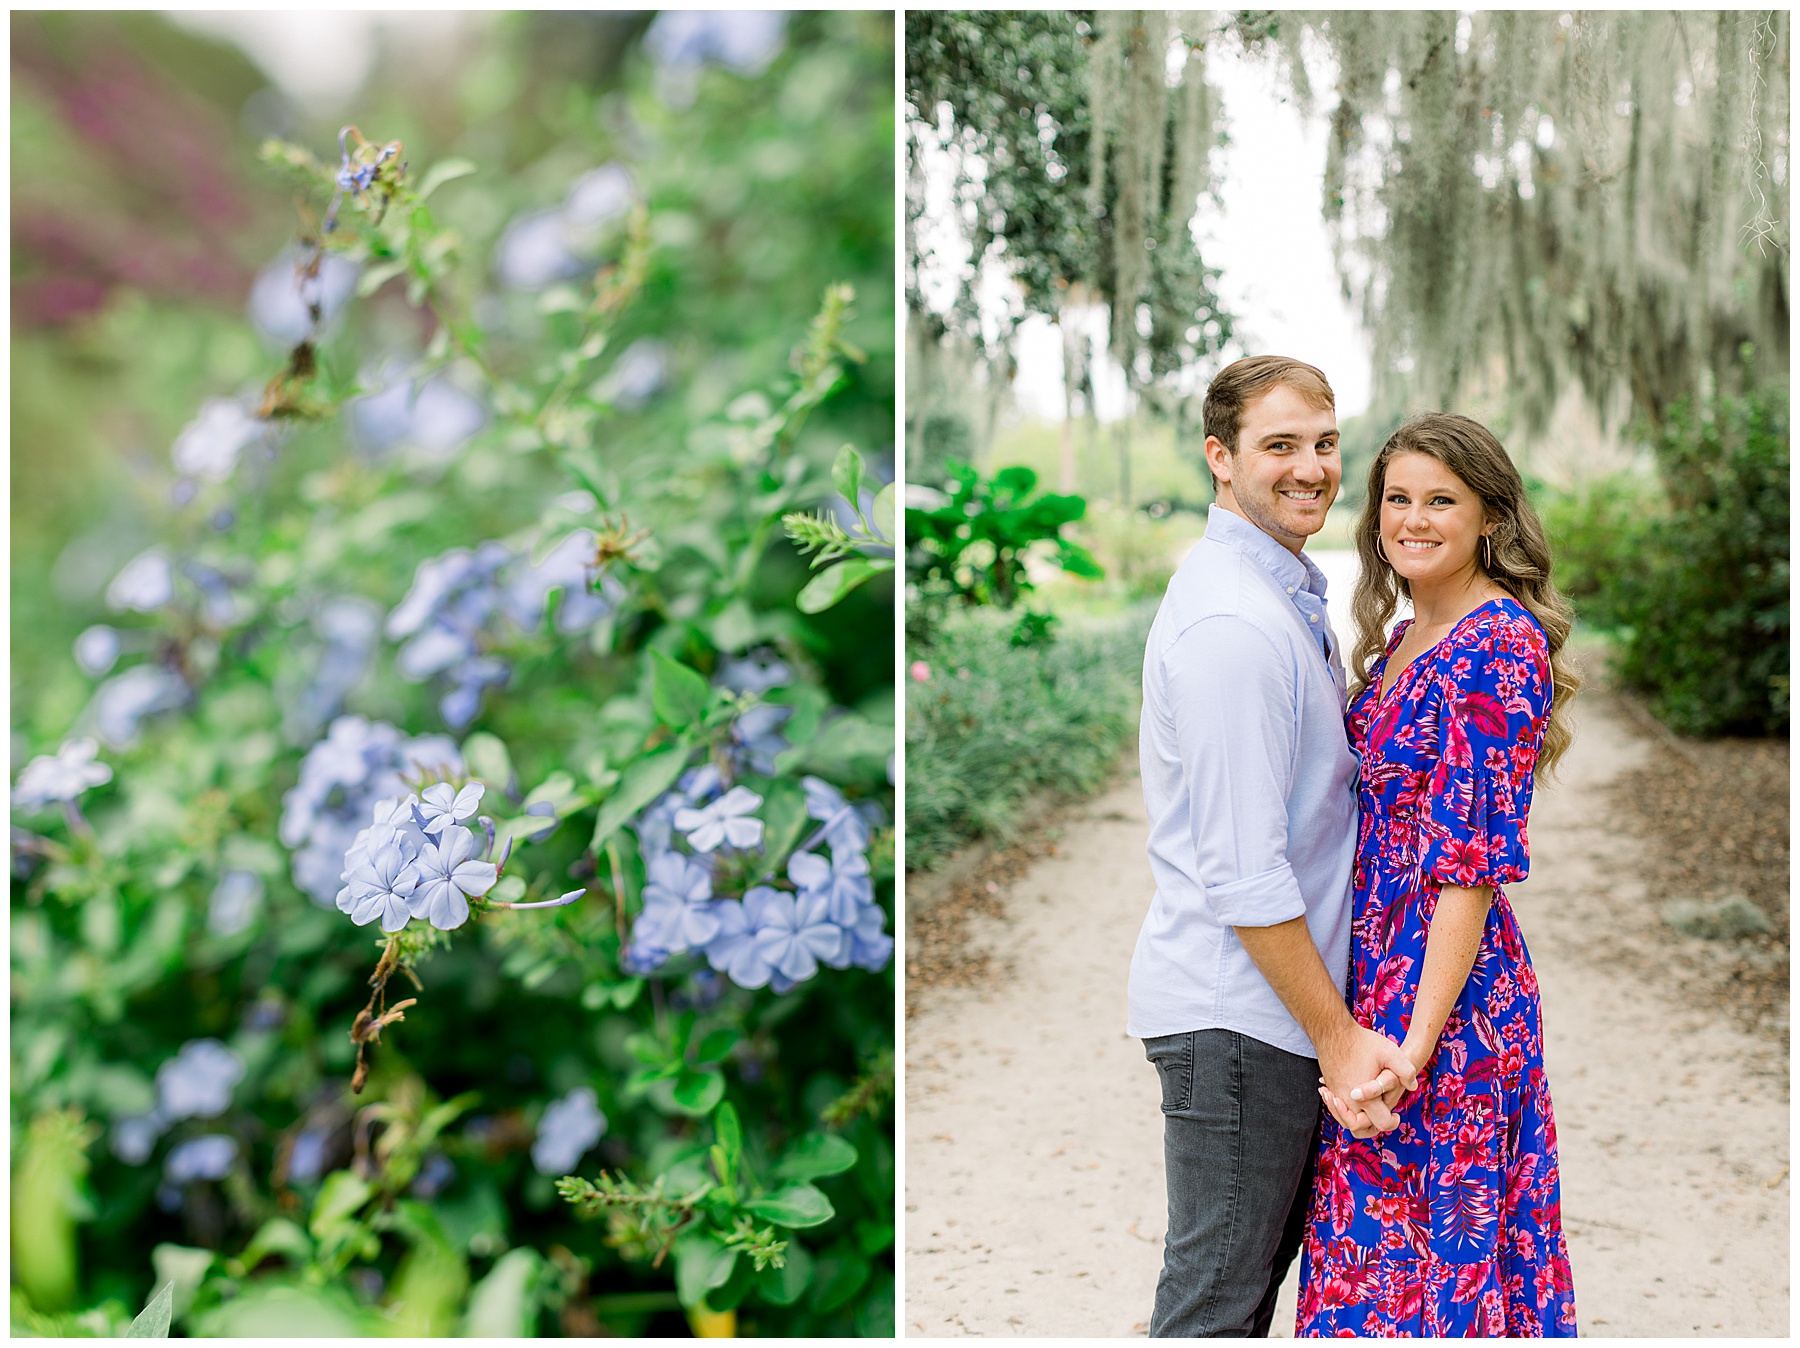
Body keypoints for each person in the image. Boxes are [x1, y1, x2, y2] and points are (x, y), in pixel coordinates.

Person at [1129, 355, 1418, 1338]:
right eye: (1279, 445)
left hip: (1267, 1019)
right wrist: (1339, 1039)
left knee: (1235, 1300)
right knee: (1214, 1309)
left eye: (1326, 444)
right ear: (1220, 457)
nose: (1311, 468)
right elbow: (1245, 872)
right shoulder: (1232, 626)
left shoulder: (1279, 593)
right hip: (1242, 1020)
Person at [1295, 413, 1580, 1336]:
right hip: (1378, 982)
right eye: (1397, 499)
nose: (1412, 519)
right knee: (1373, 1269)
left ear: (1491, 516)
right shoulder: (1408, 635)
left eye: (1441, 500)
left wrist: (1414, 1050)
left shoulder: (1497, 644)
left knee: (1431, 1276)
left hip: (1446, 1010)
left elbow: (1469, 873)